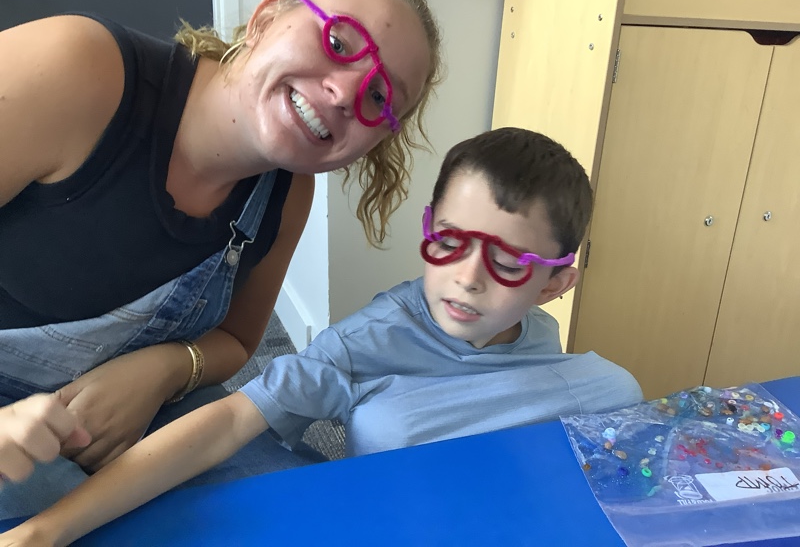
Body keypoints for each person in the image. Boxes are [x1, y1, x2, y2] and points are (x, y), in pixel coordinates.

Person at [0, 127, 643, 546]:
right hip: (400, 518)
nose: (468, 279)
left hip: (518, 513)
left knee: (621, 389)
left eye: (507, 262)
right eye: (448, 242)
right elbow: (228, 423)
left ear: (556, 285)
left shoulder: (559, 359)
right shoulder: (371, 340)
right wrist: (46, 533)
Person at [0, 0, 443, 520]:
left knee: (307, 514)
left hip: (133, 421)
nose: (342, 91)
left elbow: (236, 339)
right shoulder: (75, 65)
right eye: (336, 40)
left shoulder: (286, 195)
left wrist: (163, 369)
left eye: (380, 97)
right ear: (264, 19)